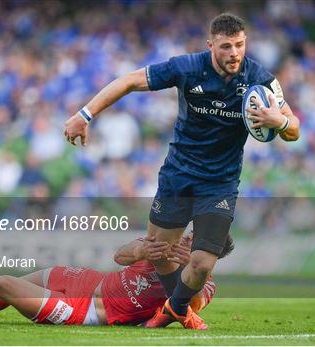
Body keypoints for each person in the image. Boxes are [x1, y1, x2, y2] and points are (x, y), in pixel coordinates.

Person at [63, 13, 300, 330]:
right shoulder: (187, 67)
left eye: (240, 45)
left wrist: (279, 122)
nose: (234, 53)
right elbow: (130, 80)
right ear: (211, 45)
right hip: (178, 176)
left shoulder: (261, 80)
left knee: (201, 263)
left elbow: (294, 128)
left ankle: (174, 309)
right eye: (226, 46)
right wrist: (85, 114)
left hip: (220, 183)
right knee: (158, 250)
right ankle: (178, 309)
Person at [0, 234, 233, 326]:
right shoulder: (166, 246)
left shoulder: (203, 286)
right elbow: (119, 256)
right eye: (189, 234)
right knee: (7, 286)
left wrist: (183, 273)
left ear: (210, 255)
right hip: (85, 280)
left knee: (1, 283)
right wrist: (144, 250)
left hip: (90, 309)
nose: (187, 239)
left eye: (195, 240)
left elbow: (184, 305)